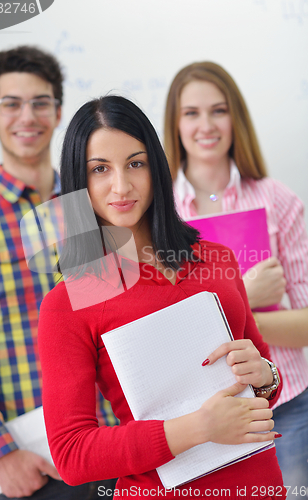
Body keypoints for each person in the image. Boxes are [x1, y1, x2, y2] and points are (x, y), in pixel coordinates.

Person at [37, 95, 286, 500]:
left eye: (135, 163)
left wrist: (265, 375)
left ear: (156, 166)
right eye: (100, 169)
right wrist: (198, 429)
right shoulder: (67, 304)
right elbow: (71, 455)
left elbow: (265, 383)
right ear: (79, 184)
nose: (122, 185)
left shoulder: (216, 260)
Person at [0, 45, 117, 500]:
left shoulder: (92, 205)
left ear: (58, 113)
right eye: (10, 103)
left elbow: (117, 317)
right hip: (33, 462)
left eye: (40, 103)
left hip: (115, 441)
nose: (27, 116)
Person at [164, 61, 308, 498]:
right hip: (201, 419)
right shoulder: (159, 214)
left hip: (287, 406)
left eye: (218, 110)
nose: (205, 125)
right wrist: (245, 295)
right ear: (174, 124)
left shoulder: (277, 199)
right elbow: (169, 334)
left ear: (236, 118)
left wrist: (235, 319)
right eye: (191, 113)